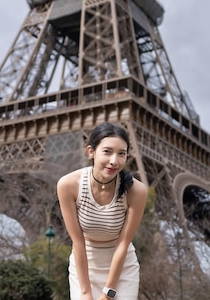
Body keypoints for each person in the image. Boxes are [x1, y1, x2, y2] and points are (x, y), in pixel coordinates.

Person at [57, 122, 148, 300]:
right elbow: (78, 242)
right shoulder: (68, 185)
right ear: (91, 151)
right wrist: (85, 292)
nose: (114, 161)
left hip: (122, 268)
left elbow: (123, 243)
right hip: (85, 266)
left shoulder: (136, 191)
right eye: (107, 151)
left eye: (121, 154)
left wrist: (108, 293)